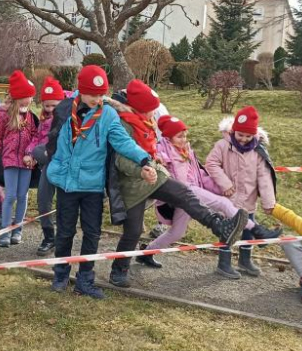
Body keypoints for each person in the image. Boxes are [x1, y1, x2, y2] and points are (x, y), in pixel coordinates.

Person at [106, 80, 248, 288]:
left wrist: (156, 160)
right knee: (133, 231)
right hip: (133, 184)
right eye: (149, 111)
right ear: (137, 108)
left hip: (155, 175)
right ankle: (119, 271)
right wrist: (141, 170)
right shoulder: (124, 124)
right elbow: (120, 159)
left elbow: (151, 148)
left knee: (185, 193)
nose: (153, 116)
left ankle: (220, 226)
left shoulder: (145, 122)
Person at [44, 65, 153, 299]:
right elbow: (52, 141)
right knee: (64, 232)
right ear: (81, 91)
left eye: (101, 94)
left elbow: (123, 142)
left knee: (92, 233)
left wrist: (144, 158)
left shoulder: (108, 115)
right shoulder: (64, 111)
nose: (97, 98)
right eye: (92, 94)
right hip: (66, 184)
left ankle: (85, 279)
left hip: (92, 186)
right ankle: (61, 274)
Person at [138, 115, 280, 278]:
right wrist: (157, 160)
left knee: (177, 232)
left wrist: (220, 188)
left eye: (185, 135)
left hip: (189, 197)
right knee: (223, 204)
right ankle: (258, 230)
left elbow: (201, 175)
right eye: (179, 136)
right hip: (181, 192)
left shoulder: (187, 150)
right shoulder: (162, 150)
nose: (184, 139)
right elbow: (155, 162)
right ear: (168, 137)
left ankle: (146, 254)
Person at [205, 106, 277, 277]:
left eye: (248, 136)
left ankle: (245, 261)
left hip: (248, 201)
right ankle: (224, 264)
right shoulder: (223, 145)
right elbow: (211, 164)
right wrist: (225, 183)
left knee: (248, 231)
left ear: (254, 134)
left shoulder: (258, 152)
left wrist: (269, 202)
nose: (244, 139)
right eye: (240, 135)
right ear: (233, 131)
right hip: (228, 200)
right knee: (228, 231)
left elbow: (264, 177)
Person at [0, 70, 39, 247]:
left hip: (26, 162)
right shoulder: (3, 114)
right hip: (9, 161)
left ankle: (17, 230)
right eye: (28, 96)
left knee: (23, 196)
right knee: (10, 196)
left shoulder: (30, 115)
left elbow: (35, 135)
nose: (31, 100)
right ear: (19, 96)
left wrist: (30, 152)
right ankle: (5, 231)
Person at [26, 75, 65, 256]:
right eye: (46, 106)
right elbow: (36, 138)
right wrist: (30, 151)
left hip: (62, 165)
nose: (50, 110)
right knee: (43, 201)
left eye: (54, 106)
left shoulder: (66, 120)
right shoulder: (43, 120)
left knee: (65, 204)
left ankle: (63, 237)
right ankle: (48, 236)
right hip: (46, 166)